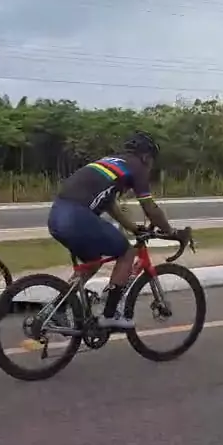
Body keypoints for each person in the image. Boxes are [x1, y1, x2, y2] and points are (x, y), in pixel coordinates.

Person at [48, 131, 187, 330]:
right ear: (146, 157)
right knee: (127, 252)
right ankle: (110, 314)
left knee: (92, 263)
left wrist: (133, 228)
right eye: (152, 162)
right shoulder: (137, 167)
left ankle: (57, 309)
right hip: (77, 217)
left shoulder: (111, 162)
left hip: (56, 216)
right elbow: (150, 208)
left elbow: (109, 204)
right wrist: (171, 231)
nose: (150, 167)